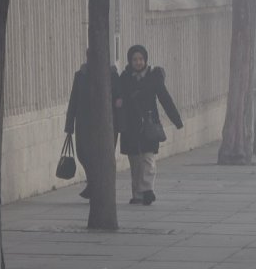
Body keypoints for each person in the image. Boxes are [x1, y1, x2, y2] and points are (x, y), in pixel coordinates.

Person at [118, 45, 183, 205]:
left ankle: (147, 190)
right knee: (134, 161)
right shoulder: (124, 78)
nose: (138, 62)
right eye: (135, 59)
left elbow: (165, 99)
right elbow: (118, 96)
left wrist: (176, 120)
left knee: (148, 158)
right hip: (130, 126)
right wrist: (119, 102)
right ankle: (137, 194)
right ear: (130, 61)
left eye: (141, 59)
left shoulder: (154, 77)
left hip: (149, 123)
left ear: (145, 60)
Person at [64, 50, 121, 199]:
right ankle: (93, 183)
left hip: (106, 124)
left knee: (103, 157)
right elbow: (73, 100)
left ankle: (95, 187)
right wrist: (69, 125)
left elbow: (119, 97)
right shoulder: (80, 75)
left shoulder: (112, 75)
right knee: (83, 154)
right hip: (84, 123)